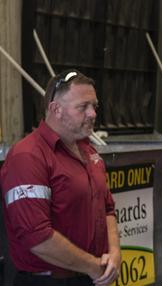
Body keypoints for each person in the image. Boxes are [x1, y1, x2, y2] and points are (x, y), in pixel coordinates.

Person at [0, 70, 120, 286]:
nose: (92, 114)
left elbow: (107, 208)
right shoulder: (28, 157)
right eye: (83, 107)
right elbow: (36, 236)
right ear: (56, 109)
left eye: (94, 106)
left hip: (91, 276)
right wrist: (93, 266)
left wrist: (115, 253)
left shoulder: (89, 152)